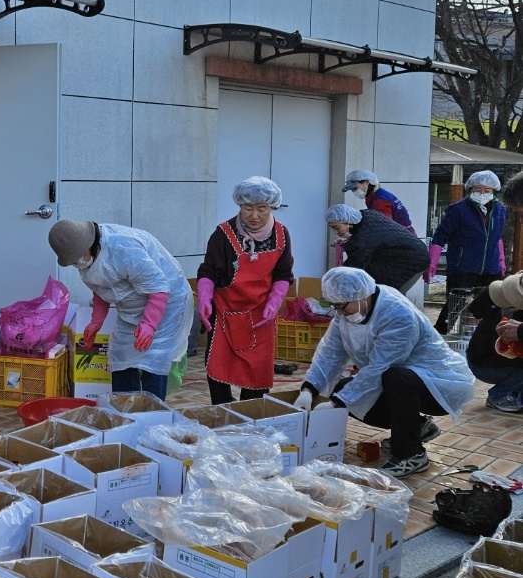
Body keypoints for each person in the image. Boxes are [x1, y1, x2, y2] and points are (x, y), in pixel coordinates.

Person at [295, 267, 474, 478]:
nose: (339, 312)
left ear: (361, 295)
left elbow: (380, 368)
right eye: (334, 306)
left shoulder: (398, 314)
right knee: (343, 388)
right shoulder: (347, 312)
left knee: (394, 378)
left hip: (440, 383)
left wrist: (337, 404)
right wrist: (309, 389)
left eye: (341, 306)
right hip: (402, 378)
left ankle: (411, 455)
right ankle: (418, 427)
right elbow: (330, 354)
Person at [47, 220, 193, 401]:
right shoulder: (87, 259)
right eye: (73, 261)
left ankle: (154, 416)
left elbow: (158, 287)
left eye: (78, 257)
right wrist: (96, 322)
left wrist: (149, 324)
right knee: (120, 356)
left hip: (167, 303)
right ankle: (124, 412)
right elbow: (101, 288)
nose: (77, 263)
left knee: (153, 360)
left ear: (89, 244)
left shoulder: (123, 247)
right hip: (133, 308)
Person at [197, 177, 293, 404]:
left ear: (272, 207)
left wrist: (275, 301)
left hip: (260, 314)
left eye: (262, 208)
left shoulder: (281, 234)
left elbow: (283, 274)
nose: (254, 215)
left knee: (258, 372)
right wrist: (204, 297)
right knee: (218, 367)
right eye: (248, 208)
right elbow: (208, 271)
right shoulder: (223, 234)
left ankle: (253, 414)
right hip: (223, 311)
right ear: (240, 205)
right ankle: (222, 413)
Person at [429, 170, 506, 334]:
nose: (482, 193)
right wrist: (432, 262)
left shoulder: (499, 210)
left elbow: (498, 236)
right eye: (478, 189)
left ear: (493, 191)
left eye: (487, 190)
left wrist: (501, 260)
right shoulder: (458, 210)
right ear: (471, 189)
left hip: (491, 268)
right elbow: (440, 236)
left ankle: (490, 341)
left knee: (493, 306)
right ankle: (438, 336)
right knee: (453, 306)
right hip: (463, 266)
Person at [325, 204, 429, 292]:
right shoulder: (367, 215)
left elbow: (353, 268)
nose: (335, 232)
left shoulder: (363, 239)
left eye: (336, 227)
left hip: (412, 260)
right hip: (415, 252)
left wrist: (333, 284)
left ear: (348, 222)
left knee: (391, 296)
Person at [465, 271, 523, 413]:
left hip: (485, 359)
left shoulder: (504, 296)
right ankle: (498, 395)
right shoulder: (507, 315)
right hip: (486, 365)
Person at [343, 169, 414, 230]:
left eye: (355, 188)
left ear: (366, 182)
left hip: (402, 236)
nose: (354, 192)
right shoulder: (379, 195)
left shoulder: (380, 201)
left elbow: (384, 226)